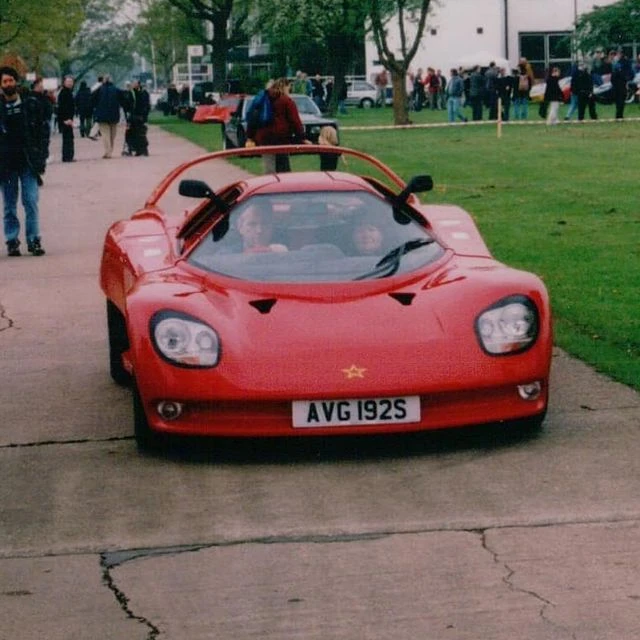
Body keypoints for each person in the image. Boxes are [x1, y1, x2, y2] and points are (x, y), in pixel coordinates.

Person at [0, 66, 46, 256]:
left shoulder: (30, 105)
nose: (8, 84)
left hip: (28, 161)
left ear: (16, 82)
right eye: (4, 81)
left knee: (30, 201)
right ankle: (12, 240)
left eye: (11, 80)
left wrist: (41, 157)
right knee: (9, 206)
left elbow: (42, 133)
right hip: (6, 165)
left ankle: (33, 239)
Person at [246, 77, 307, 174]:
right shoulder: (286, 101)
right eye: (289, 88)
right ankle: (283, 187)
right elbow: (295, 121)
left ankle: (270, 186)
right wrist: (302, 137)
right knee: (284, 168)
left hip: (265, 138)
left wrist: (250, 137)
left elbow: (253, 118)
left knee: (269, 166)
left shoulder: (263, 98)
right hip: (281, 139)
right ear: (285, 87)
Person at [92, 74, 124, 159]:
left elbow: (92, 100)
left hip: (102, 115)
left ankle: (108, 151)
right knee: (112, 135)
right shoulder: (116, 90)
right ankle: (110, 150)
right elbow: (123, 100)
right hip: (114, 115)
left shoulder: (99, 90)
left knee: (105, 134)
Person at [124, 79, 150, 156]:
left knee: (141, 134)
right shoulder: (131, 93)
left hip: (139, 116)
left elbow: (146, 105)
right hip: (133, 116)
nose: (132, 85)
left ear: (138, 84)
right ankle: (135, 149)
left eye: (134, 83)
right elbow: (127, 105)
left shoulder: (142, 93)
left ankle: (142, 150)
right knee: (131, 133)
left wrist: (144, 116)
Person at [30, 78, 53, 162]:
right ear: (36, 86)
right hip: (39, 123)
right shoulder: (33, 98)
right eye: (41, 85)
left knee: (45, 141)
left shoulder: (44, 96)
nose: (43, 87)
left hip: (44, 123)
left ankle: (43, 156)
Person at [57, 75, 75, 162]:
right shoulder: (64, 93)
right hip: (66, 119)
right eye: (68, 82)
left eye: (71, 82)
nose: (70, 83)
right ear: (64, 83)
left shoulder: (69, 92)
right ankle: (67, 156)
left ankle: (68, 155)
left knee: (69, 137)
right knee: (67, 138)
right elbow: (62, 107)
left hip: (69, 118)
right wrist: (65, 119)